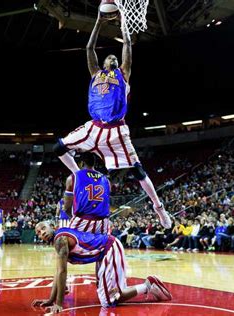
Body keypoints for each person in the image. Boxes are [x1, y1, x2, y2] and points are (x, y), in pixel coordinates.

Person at [52, 11, 171, 229]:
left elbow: (127, 44)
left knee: (138, 171)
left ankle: (159, 208)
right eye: (110, 57)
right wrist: (98, 21)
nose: (113, 58)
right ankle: (78, 175)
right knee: (58, 147)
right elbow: (89, 49)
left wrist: (123, 21)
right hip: (95, 127)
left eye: (115, 58)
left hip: (117, 130)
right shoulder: (95, 73)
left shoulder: (123, 73)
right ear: (104, 61)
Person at [31, 222, 172, 314]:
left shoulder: (60, 239)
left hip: (109, 249)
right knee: (106, 295)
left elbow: (62, 272)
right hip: (102, 254)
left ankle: (148, 286)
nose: (41, 233)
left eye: (43, 228)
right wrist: (51, 300)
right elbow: (58, 272)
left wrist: (59, 304)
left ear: (52, 226)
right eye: (38, 232)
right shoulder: (60, 239)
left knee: (109, 300)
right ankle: (147, 286)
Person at [63, 152, 111, 234]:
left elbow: (67, 208)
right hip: (103, 224)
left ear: (82, 163)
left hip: (82, 220)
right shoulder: (106, 180)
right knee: (100, 246)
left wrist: (74, 218)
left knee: (66, 242)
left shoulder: (73, 177)